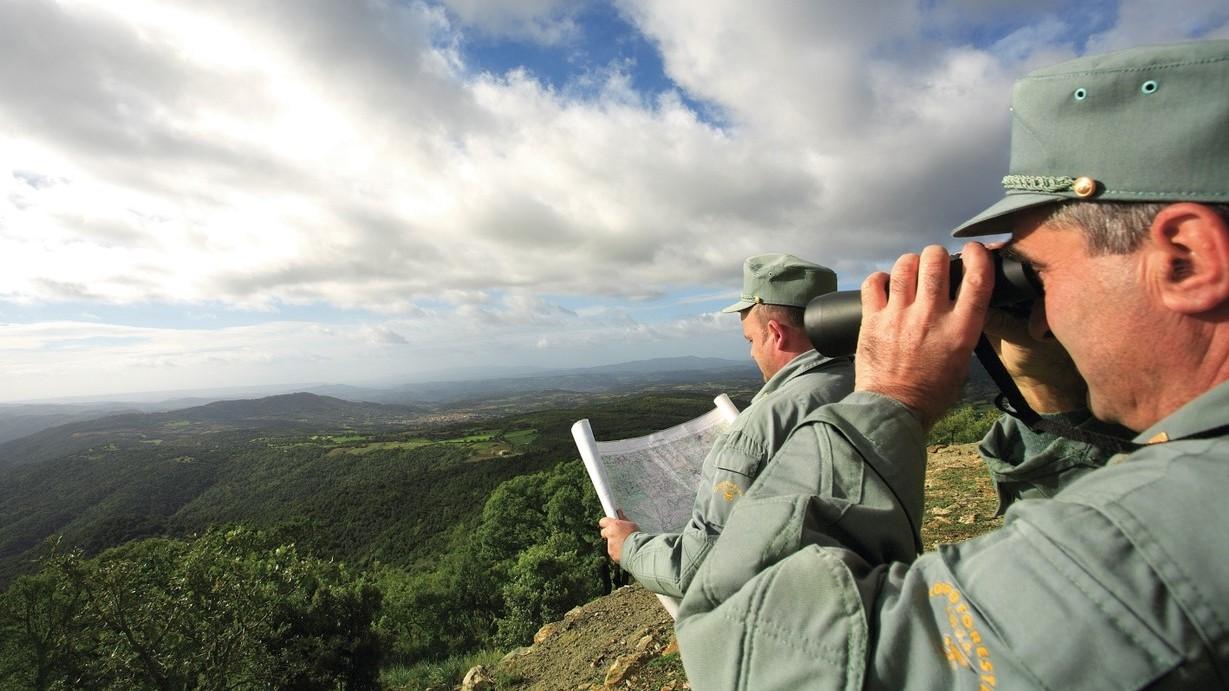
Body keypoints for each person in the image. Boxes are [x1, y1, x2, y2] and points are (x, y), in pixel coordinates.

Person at [674, 39, 1229, 689]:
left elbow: (742, 645)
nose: (1044, 317)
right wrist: (1044, 387)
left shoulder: (1166, 530)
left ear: (1186, 258)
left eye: (1045, 273)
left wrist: (889, 399)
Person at [600, 253, 903, 600]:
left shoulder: (759, 428)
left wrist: (630, 547)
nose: (751, 354)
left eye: (750, 340)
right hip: (882, 594)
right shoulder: (873, 385)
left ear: (775, 333)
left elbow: (701, 569)